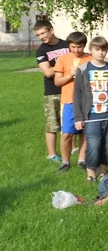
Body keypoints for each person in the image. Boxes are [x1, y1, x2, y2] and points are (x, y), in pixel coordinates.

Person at [73, 37, 108, 182]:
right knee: (94, 145)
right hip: (92, 116)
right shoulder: (83, 69)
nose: (101, 53)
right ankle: (90, 172)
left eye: (103, 50)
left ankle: (102, 171)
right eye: (97, 49)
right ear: (91, 50)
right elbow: (77, 94)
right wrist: (78, 117)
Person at [54, 31, 91, 171]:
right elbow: (57, 82)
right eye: (73, 47)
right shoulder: (63, 59)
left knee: (85, 132)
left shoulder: (90, 58)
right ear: (69, 46)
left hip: (87, 101)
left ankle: (82, 160)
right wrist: (70, 74)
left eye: (79, 47)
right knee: (67, 133)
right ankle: (65, 162)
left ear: (84, 45)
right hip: (69, 101)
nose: (76, 50)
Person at [34, 20, 70, 162]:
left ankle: (72, 148)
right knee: (52, 123)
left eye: (43, 33)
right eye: (38, 35)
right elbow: (48, 72)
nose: (41, 37)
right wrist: (65, 68)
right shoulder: (41, 50)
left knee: (69, 121)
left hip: (69, 88)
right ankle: (52, 154)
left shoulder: (67, 45)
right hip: (52, 91)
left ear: (51, 30)